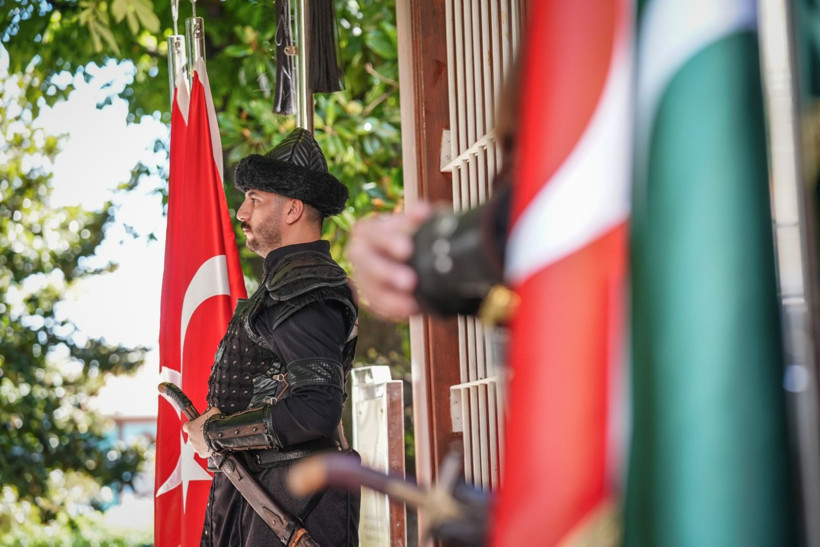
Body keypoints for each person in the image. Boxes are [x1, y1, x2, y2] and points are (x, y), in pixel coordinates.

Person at [183, 127, 360, 546]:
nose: (242, 213)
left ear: (293, 209)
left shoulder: (305, 286)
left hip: (293, 502)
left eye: (255, 200)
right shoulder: (289, 281)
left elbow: (316, 407)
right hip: (271, 493)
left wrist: (215, 433)